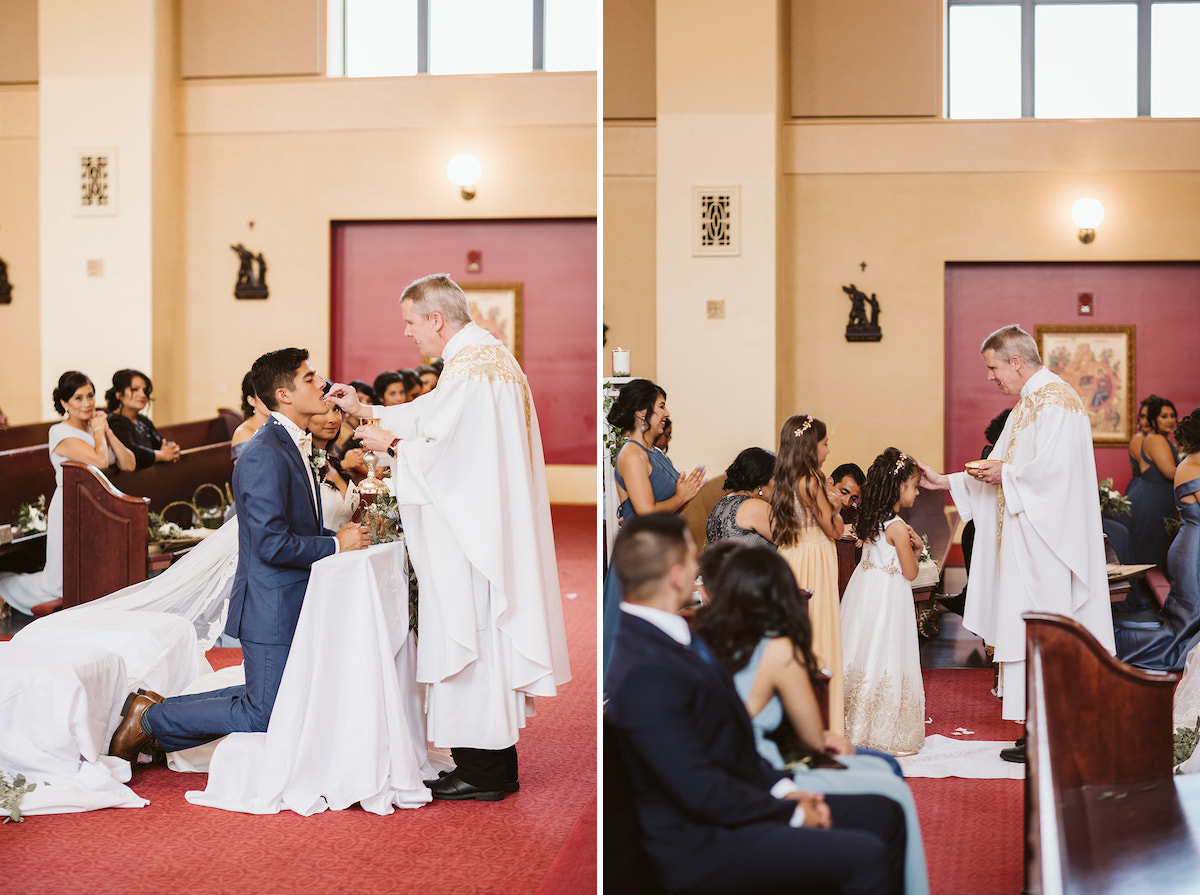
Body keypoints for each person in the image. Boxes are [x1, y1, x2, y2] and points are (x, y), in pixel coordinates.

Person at [326, 274, 570, 802]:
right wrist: (366, 410)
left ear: (436, 319)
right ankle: (494, 768)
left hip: (469, 532)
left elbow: (455, 456)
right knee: (480, 637)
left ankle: (483, 773)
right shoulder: (483, 359)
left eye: (411, 323)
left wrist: (392, 444)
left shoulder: (476, 368)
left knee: (470, 634)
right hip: (482, 524)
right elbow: (438, 417)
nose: (409, 334)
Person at [605, 513, 907, 895]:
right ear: (677, 576)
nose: (699, 566)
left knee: (885, 813)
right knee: (865, 855)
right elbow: (698, 788)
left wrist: (783, 789)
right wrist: (792, 811)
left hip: (736, 800)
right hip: (702, 842)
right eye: (691, 557)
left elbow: (728, 747)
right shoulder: (644, 669)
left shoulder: (669, 634)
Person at [107, 348, 371, 762]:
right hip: (271, 602)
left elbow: (295, 527)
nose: (321, 384)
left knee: (275, 693)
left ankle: (154, 712)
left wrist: (340, 535)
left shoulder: (294, 444)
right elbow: (270, 543)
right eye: (310, 378)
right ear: (283, 395)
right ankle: (150, 720)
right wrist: (336, 544)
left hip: (294, 595)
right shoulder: (263, 452)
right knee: (265, 710)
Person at [917, 324, 1115, 763]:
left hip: (1046, 546)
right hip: (1026, 543)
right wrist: (947, 481)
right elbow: (1002, 466)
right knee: (1029, 632)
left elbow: (1055, 477)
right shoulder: (1030, 404)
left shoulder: (1056, 403)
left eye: (993, 368)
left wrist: (1004, 473)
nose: (990, 377)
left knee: (1043, 629)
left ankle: (1053, 731)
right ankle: (1040, 728)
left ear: (1016, 362)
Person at [694, 541, 930, 895]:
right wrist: (824, 742)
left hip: (742, 766)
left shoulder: (703, 639)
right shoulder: (776, 648)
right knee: (891, 788)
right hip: (775, 770)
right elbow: (809, 737)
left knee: (882, 770)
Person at [0, 372, 136, 617]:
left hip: (100, 508)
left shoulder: (96, 429)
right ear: (64, 403)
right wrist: (97, 431)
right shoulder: (60, 433)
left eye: (90, 396)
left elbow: (129, 463)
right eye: (78, 398)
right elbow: (100, 460)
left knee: (87, 573)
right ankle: (4, 585)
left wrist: (107, 430)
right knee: (57, 584)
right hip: (70, 508)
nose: (87, 403)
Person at [601, 378, 705, 677]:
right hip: (642, 555)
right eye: (660, 406)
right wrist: (680, 496)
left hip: (662, 549)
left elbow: (664, 508)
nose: (666, 413)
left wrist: (685, 496)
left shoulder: (656, 454)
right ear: (641, 413)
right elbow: (645, 513)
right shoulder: (631, 455)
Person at [840, 449, 925, 756]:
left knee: (861, 648)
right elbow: (911, 572)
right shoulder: (898, 527)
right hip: (889, 599)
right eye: (913, 486)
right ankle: (881, 728)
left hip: (864, 593)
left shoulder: (869, 519)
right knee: (886, 651)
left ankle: (852, 721)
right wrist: (918, 547)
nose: (916, 492)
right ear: (898, 487)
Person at [771, 413, 847, 734]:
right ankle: (822, 721)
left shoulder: (782, 479)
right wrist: (837, 506)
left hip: (790, 554)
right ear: (809, 447)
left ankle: (792, 718)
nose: (828, 450)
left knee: (797, 631)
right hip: (815, 556)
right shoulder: (812, 481)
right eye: (825, 444)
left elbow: (776, 529)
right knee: (818, 628)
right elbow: (834, 529)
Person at [1114, 408, 1200, 671]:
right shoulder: (1193, 465)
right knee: (1190, 618)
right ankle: (1116, 645)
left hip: (1190, 545)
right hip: (1193, 551)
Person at [1127, 395, 1179, 568]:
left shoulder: (1159, 438)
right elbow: (1171, 472)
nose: (1170, 420)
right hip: (1154, 500)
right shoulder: (1156, 439)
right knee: (1149, 552)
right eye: (1164, 416)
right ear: (1154, 419)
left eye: (1173, 416)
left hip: (1157, 497)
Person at [104, 368, 180, 469]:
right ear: (119, 394)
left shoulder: (143, 420)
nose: (142, 395)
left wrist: (172, 449)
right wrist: (161, 455)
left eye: (145, 391)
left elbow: (161, 442)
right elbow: (131, 452)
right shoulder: (114, 421)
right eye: (135, 389)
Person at [705, 447, 776, 548]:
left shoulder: (722, 504)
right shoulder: (754, 507)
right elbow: (792, 541)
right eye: (776, 479)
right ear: (760, 483)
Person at [231, 371, 271, 462]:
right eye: (264, 394)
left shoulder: (279, 424)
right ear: (251, 400)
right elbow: (249, 472)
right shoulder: (243, 433)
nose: (271, 398)